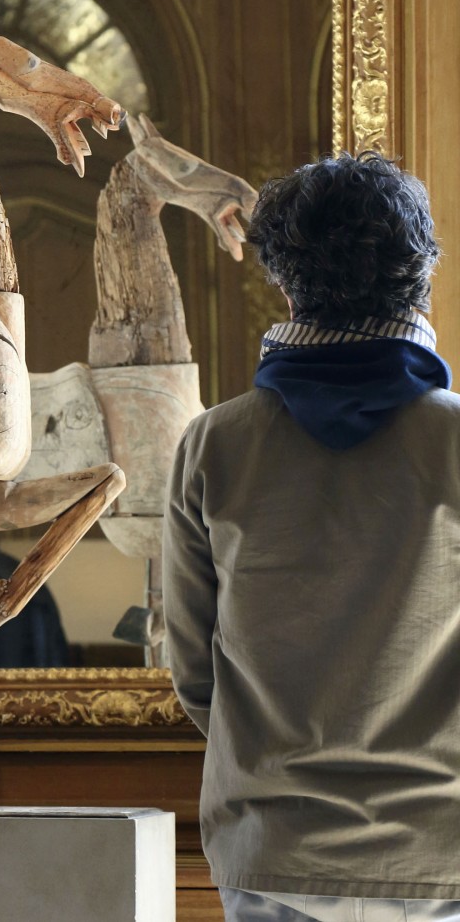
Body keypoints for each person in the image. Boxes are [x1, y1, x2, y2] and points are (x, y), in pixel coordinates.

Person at [162, 153, 460, 922]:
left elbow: (195, 673)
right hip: (440, 854)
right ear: (420, 273)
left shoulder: (211, 447)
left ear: (285, 280)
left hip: (271, 848)